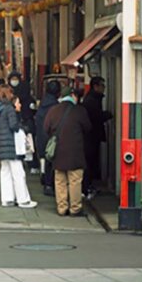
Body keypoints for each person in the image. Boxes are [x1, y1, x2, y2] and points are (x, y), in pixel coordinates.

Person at [43, 84, 92, 217]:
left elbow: (46, 128)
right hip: (75, 152)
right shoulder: (80, 111)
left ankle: (62, 208)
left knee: (60, 181)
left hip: (58, 151)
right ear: (72, 96)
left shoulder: (53, 110)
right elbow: (88, 128)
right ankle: (75, 208)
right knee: (75, 180)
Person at [0, 85, 37, 208]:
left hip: (2, 146)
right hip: (12, 145)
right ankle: (23, 199)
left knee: (5, 172)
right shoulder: (9, 109)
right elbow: (14, 126)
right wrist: (24, 127)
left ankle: (7, 198)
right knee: (18, 173)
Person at [81, 75, 113, 198]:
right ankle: (87, 187)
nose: (104, 88)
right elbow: (95, 117)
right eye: (102, 86)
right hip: (91, 136)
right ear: (96, 86)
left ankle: (89, 185)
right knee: (90, 161)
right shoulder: (92, 100)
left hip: (92, 135)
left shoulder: (92, 98)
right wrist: (106, 115)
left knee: (92, 161)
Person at [34, 78, 61, 196]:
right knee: (52, 162)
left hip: (41, 136)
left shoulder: (42, 104)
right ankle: (49, 184)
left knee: (45, 159)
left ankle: (45, 180)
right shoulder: (56, 106)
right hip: (51, 138)